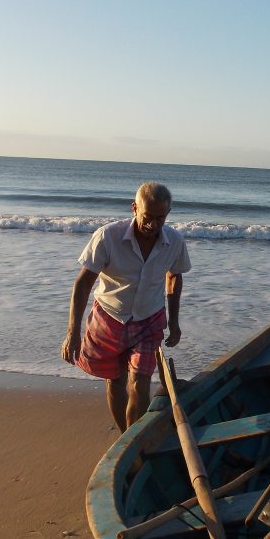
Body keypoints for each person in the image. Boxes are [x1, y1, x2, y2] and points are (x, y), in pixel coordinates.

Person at [61, 182, 190, 432]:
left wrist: (174, 323)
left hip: (149, 319)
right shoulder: (108, 236)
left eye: (160, 218)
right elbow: (83, 283)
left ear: (168, 214)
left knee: (140, 382)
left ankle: (134, 440)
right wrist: (72, 332)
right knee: (115, 381)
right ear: (134, 208)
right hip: (109, 317)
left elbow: (174, 277)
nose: (153, 225)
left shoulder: (174, 241)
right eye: (147, 217)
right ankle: (124, 437)